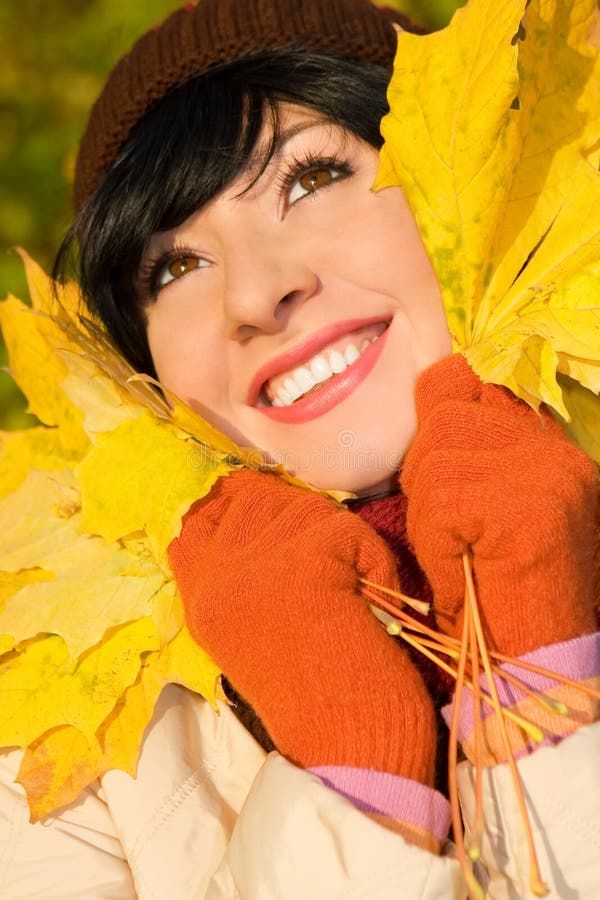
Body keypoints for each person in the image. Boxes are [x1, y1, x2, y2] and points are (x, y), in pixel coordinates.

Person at [1, 0, 598, 897]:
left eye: (311, 178)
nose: (255, 292)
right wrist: (353, 773)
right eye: (175, 268)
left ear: (475, 191)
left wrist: (551, 696)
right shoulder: (62, 748)